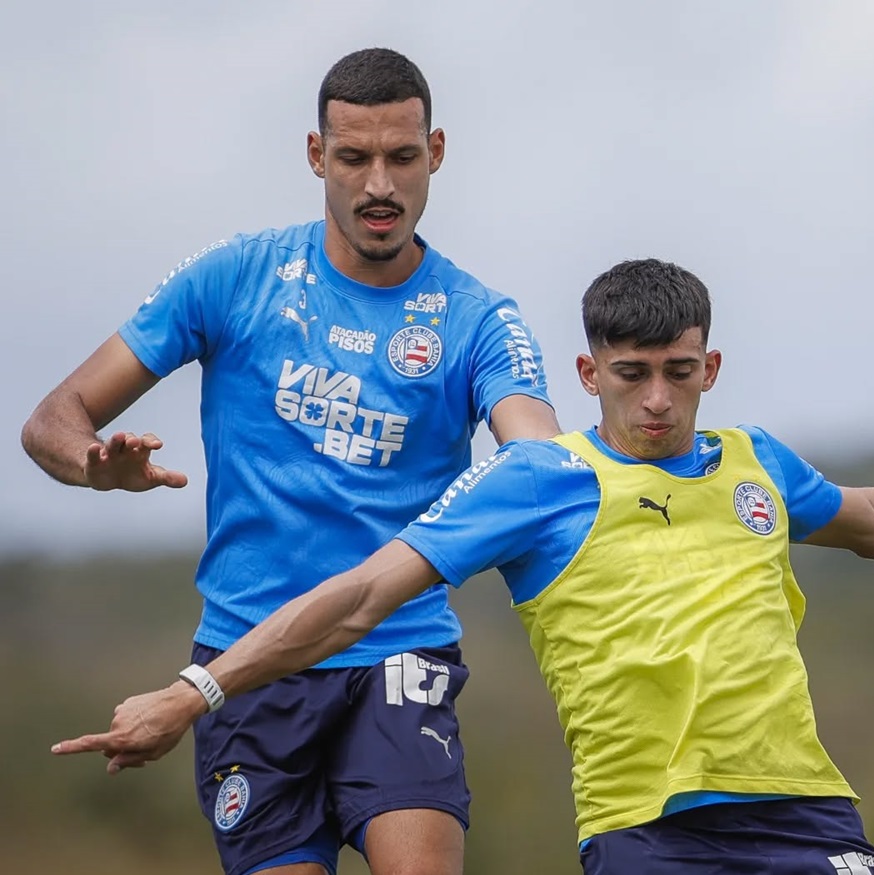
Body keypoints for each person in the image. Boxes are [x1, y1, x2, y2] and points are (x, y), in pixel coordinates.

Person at [52, 258, 874, 875]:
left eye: (676, 372)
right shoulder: (535, 481)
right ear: (588, 371)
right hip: (647, 831)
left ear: (709, 365)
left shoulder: (757, 463)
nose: (656, 398)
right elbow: (358, 599)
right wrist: (193, 690)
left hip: (806, 812)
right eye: (630, 374)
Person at [25, 48, 559, 875]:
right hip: (241, 668)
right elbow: (53, 419)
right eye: (353, 158)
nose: (379, 184)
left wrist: (537, 470)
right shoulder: (235, 278)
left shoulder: (475, 316)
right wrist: (91, 463)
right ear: (317, 156)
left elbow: (536, 448)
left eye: (402, 157)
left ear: (437, 152)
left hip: (397, 647)